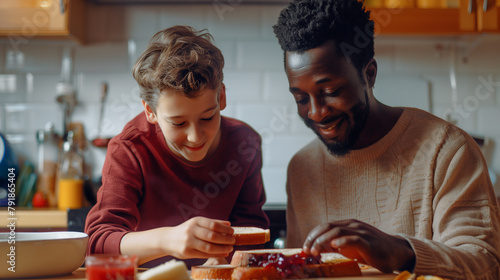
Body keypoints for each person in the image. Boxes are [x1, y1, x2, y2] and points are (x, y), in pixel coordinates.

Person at [273, 0, 500, 279]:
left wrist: (401, 250)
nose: (317, 112)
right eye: (300, 98)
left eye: (330, 91)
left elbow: (485, 265)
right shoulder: (302, 168)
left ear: (369, 74)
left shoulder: (446, 151)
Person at [84, 25, 269, 268]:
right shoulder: (130, 149)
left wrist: (225, 261)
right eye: (178, 123)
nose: (195, 137)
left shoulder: (245, 144)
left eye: (207, 118)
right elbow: (96, 244)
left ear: (221, 97)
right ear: (150, 111)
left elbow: (252, 233)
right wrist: (168, 239)